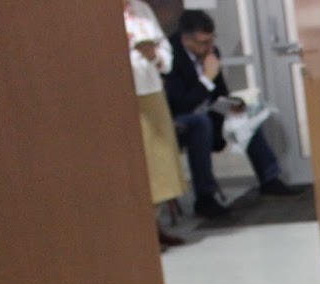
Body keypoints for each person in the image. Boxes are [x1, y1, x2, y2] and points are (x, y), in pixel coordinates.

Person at [163, 9, 300, 219]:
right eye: (203, 43)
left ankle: (270, 179)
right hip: (180, 118)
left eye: (211, 40)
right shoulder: (169, 57)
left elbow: (220, 92)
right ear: (185, 40)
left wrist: (234, 104)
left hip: (208, 111)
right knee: (201, 123)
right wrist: (207, 77)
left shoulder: (211, 53)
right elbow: (181, 103)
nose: (209, 47)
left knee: (247, 115)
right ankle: (205, 198)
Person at [123, 1, 185, 249]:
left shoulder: (141, 9)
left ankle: (156, 226)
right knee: (139, 162)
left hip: (151, 88)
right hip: (124, 91)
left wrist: (155, 56)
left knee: (160, 159)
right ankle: (141, 232)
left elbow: (164, 47)